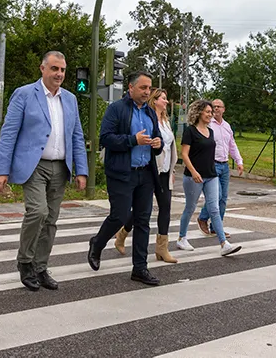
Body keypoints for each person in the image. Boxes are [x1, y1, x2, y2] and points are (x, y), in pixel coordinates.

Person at [0, 51, 88, 292]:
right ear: (42, 69)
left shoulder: (70, 99)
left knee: (51, 220)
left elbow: (77, 136)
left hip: (60, 166)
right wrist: (1, 170)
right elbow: (9, 133)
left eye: (63, 70)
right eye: (55, 69)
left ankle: (40, 266)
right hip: (33, 165)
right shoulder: (25, 94)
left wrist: (82, 171)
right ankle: (25, 262)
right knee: (38, 211)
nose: (59, 74)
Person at [87, 71, 163, 285]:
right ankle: (97, 243)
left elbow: (157, 138)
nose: (147, 92)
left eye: (149, 88)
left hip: (146, 173)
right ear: (130, 88)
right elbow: (105, 138)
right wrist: (132, 140)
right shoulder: (116, 109)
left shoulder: (150, 112)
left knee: (142, 221)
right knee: (119, 216)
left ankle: (140, 268)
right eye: (143, 88)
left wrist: (158, 144)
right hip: (123, 173)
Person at [113, 88, 177, 263]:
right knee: (142, 211)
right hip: (150, 170)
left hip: (164, 171)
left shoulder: (166, 121)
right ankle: (122, 234)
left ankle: (162, 248)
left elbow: (170, 148)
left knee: (165, 208)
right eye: (163, 98)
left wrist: (172, 170)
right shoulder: (146, 118)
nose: (166, 102)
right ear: (154, 100)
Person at [176, 99, 241, 256]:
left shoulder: (210, 131)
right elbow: (184, 154)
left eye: (211, 112)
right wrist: (193, 171)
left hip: (211, 175)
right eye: (208, 112)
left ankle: (224, 243)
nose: (210, 114)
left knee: (214, 208)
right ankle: (181, 238)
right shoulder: (190, 131)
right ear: (199, 112)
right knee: (190, 207)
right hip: (194, 176)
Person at [197, 98, 244, 238]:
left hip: (224, 165)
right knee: (215, 196)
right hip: (212, 164)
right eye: (214, 106)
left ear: (224, 109)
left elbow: (232, 145)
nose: (216, 109)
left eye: (219, 107)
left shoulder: (226, 126)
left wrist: (239, 161)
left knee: (223, 198)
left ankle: (216, 227)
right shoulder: (208, 125)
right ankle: (203, 218)